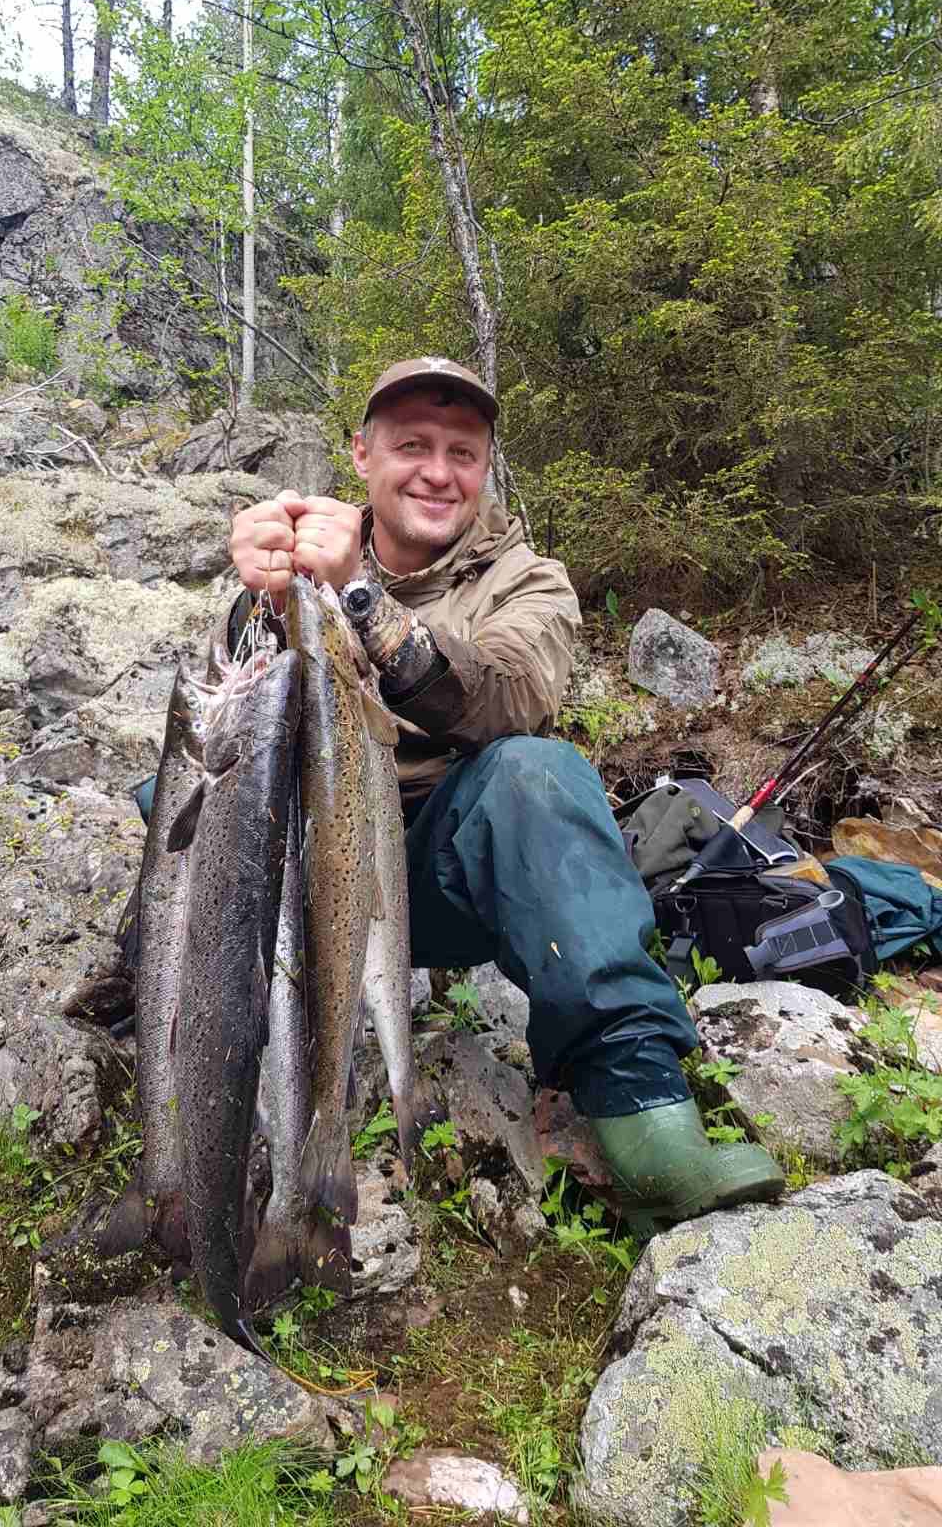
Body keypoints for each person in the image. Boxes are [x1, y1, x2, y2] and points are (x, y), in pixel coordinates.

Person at [225, 355, 785, 1239]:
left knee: (536, 771)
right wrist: (254, 602)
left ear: (486, 467)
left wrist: (360, 600)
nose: (438, 472)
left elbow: (506, 697)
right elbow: (244, 710)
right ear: (362, 454)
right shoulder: (303, 553)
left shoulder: (530, 581)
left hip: (440, 877)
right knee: (182, 793)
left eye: (463, 452)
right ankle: (171, 1024)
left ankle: (645, 1117)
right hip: (302, 871)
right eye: (413, 446)